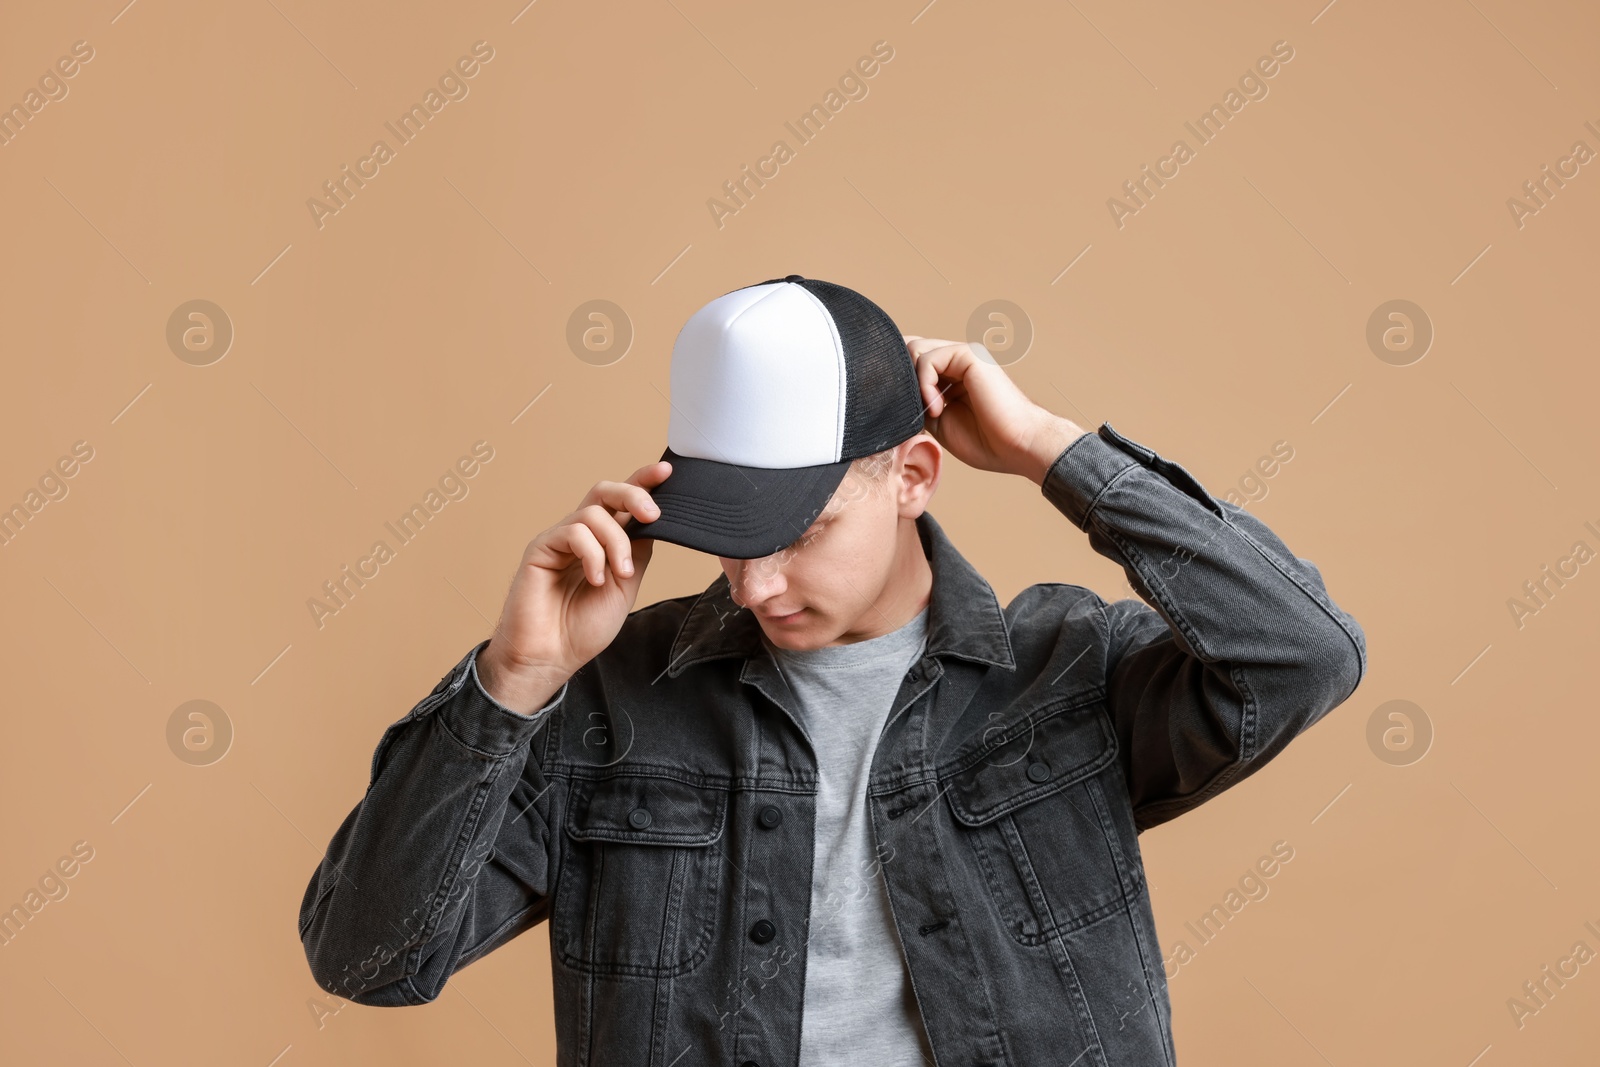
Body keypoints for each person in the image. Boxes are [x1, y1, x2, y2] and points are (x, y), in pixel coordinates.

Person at [299, 274, 1367, 1066]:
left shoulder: (1067, 671)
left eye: (801, 529)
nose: (757, 583)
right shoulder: (610, 696)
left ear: (913, 474)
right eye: (729, 535)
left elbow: (1302, 652)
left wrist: (1051, 446)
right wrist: (514, 679)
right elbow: (368, 959)